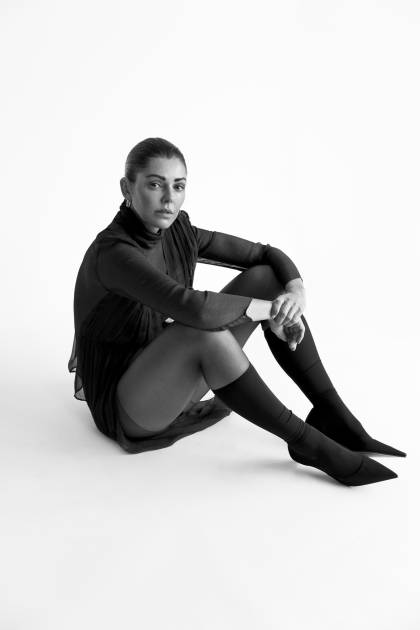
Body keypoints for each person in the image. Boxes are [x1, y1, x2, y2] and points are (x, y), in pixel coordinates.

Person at [68, 137, 406, 486]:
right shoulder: (114, 253)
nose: (169, 199)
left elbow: (265, 255)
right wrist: (270, 312)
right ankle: (312, 446)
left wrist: (295, 292)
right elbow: (193, 309)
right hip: (129, 405)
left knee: (265, 279)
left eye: (178, 186)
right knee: (203, 333)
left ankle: (334, 416)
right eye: (155, 185)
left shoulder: (178, 230)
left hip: (169, 373)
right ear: (127, 188)